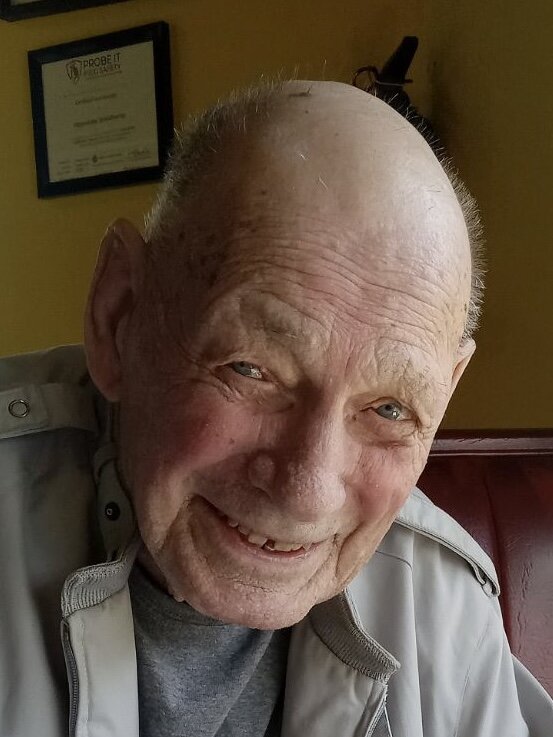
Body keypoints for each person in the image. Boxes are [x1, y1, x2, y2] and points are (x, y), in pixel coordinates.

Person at [0, 80, 551, 737]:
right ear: (119, 317)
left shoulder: (443, 603)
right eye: (251, 369)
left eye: (388, 409)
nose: (306, 492)